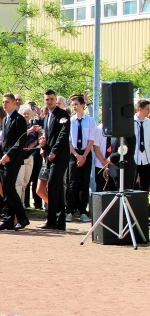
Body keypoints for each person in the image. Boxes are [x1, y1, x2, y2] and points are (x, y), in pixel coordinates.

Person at [0, 93, 29, 231]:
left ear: (14, 103)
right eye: (3, 102)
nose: (4, 104)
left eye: (7, 102)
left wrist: (9, 154)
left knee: (9, 188)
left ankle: (22, 218)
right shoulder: (5, 119)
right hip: (4, 157)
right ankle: (8, 219)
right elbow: (7, 140)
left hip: (13, 159)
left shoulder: (19, 119)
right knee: (6, 189)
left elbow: (21, 140)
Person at [39, 89, 70, 231]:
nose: (49, 102)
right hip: (49, 156)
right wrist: (43, 145)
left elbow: (63, 135)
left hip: (60, 157)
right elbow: (49, 136)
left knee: (53, 187)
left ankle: (52, 220)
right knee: (55, 189)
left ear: (55, 99)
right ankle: (59, 221)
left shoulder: (62, 114)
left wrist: (54, 151)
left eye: (51, 99)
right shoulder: (46, 117)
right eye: (47, 99)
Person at [66, 95, 95, 223]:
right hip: (74, 154)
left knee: (84, 183)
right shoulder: (70, 121)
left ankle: (83, 211)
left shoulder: (90, 121)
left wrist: (84, 156)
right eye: (73, 105)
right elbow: (68, 141)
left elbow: (91, 140)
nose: (75, 107)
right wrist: (77, 156)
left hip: (86, 153)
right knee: (72, 183)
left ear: (83, 105)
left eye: (77, 104)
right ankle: (70, 211)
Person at [133, 99, 150, 193]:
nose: (149, 111)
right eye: (147, 109)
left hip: (147, 159)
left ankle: (144, 206)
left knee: (145, 185)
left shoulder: (149, 123)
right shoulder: (131, 123)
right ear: (140, 109)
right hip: (134, 159)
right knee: (132, 185)